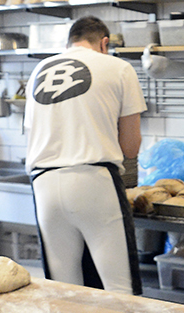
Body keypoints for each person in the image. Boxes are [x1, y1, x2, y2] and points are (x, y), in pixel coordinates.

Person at [24, 16, 146, 294]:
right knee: (120, 291)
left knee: (66, 295)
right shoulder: (119, 68)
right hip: (94, 182)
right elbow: (130, 147)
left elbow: (35, 132)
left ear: (69, 43)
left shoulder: (39, 70)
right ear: (104, 43)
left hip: (44, 186)